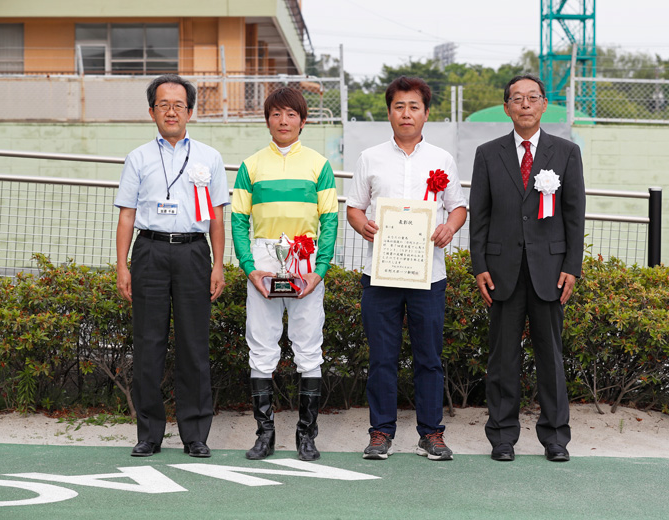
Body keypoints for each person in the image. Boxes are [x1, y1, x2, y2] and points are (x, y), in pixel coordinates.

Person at [347, 76, 467, 461]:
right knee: (382, 358)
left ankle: (431, 433)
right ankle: (381, 432)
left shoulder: (442, 159)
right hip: (380, 273)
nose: (406, 113)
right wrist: (361, 225)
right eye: (399, 106)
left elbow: (458, 207)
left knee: (428, 358)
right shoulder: (370, 158)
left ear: (426, 113)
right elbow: (354, 207)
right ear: (389, 112)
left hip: (428, 275)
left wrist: (450, 227)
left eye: (414, 106)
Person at [469, 74, 586, 463]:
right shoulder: (488, 154)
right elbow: (480, 215)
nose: (525, 105)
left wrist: (572, 266)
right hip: (501, 271)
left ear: (544, 105)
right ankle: (502, 437)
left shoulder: (566, 153)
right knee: (503, 357)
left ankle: (555, 438)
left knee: (550, 357)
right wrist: (480, 265)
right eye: (517, 99)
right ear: (506, 107)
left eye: (532, 98)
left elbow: (575, 215)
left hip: (550, 271)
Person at [115, 74, 228, 458]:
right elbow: (127, 215)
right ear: (152, 111)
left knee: (194, 345)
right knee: (148, 344)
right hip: (149, 250)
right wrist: (122, 266)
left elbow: (217, 217)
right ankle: (149, 434)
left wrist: (218, 264)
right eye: (163, 105)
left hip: (194, 252)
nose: (171, 111)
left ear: (190, 112)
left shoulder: (210, 158)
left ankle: (195, 434)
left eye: (178, 105)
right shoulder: (138, 158)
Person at [231, 87, 338, 462]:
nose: (283, 121)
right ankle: (265, 435)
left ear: (303, 121)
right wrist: (250, 268)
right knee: (262, 347)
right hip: (264, 257)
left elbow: (330, 220)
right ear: (267, 120)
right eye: (276, 114)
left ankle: (306, 436)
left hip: (305, 258)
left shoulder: (319, 165)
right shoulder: (251, 166)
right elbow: (239, 221)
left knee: (309, 347)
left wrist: (319, 270)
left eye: (291, 114)